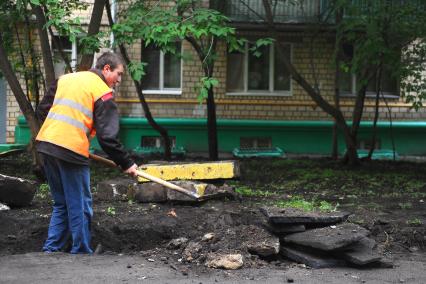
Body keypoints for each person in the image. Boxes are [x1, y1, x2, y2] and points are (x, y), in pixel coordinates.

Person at [36, 52, 138, 254]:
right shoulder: (102, 91)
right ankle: (81, 251)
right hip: (71, 151)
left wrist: (58, 136)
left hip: (47, 145)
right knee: (80, 204)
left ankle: (51, 250)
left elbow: (42, 111)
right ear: (106, 69)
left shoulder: (66, 79)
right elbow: (107, 137)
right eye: (118, 74)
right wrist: (127, 163)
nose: (118, 81)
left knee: (61, 204)